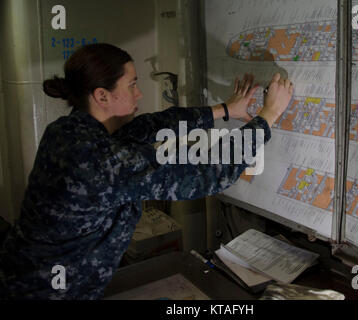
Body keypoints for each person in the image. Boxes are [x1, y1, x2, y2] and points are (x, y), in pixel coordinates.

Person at [0, 43, 293, 299]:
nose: (139, 93)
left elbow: (152, 125)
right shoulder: (101, 163)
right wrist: (267, 116)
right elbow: (209, 174)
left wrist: (225, 109)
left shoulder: (70, 129)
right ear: (102, 96)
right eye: (132, 84)